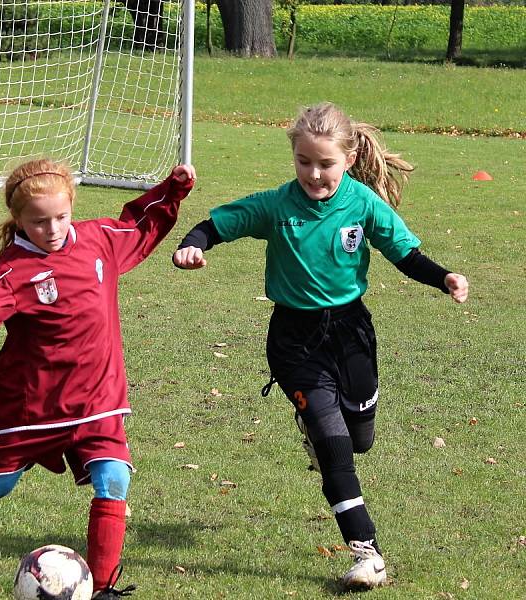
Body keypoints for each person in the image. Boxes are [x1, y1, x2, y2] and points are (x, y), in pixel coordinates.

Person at [172, 102, 468, 590]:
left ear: (348, 159)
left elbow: (405, 255)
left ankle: (324, 433)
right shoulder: (275, 205)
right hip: (294, 340)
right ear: (294, 157)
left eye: (325, 163)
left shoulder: (364, 204)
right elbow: (217, 224)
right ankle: (366, 551)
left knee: (359, 439)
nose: (314, 173)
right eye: (304, 162)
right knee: (335, 447)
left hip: (351, 334)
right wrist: (193, 245)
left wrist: (445, 278)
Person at [0, 158, 196, 598]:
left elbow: (139, 225)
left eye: (61, 217)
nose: (53, 229)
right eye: (39, 222)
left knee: (114, 480)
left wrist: (173, 189)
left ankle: (103, 587)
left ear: (72, 208)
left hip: (98, 398)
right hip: (37, 404)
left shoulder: (98, 240)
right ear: (19, 221)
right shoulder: (14, 272)